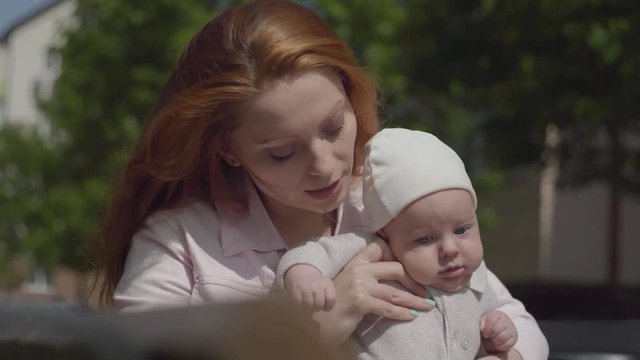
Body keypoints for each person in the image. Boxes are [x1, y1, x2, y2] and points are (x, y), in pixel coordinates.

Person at [94, 1, 549, 359]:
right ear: (227, 150)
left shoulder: (392, 198)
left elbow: (509, 314)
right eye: (281, 153)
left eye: (334, 127)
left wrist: (504, 355)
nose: (326, 166)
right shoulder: (178, 243)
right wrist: (323, 330)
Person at [278, 128, 533, 359]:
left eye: (462, 230)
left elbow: (498, 326)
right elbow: (314, 252)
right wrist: (306, 276)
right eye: (425, 239)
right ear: (386, 235)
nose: (450, 249)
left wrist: (498, 332)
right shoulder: (374, 252)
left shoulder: (479, 281)